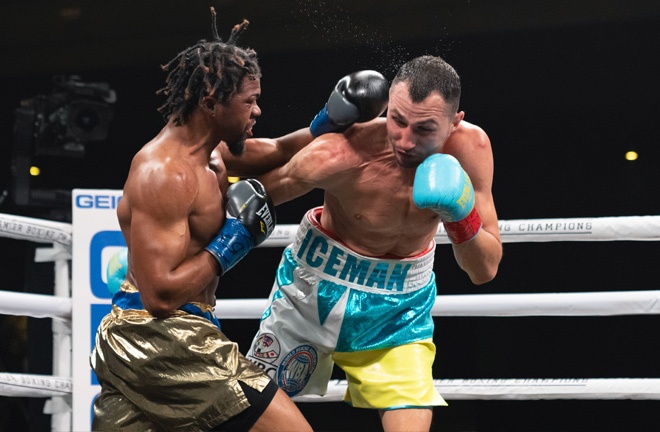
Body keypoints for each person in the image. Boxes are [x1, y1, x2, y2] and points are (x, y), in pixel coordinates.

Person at [245, 55, 503, 431]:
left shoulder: (470, 150)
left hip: (399, 310)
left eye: (425, 129)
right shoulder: (342, 152)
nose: (405, 140)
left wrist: (462, 218)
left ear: (455, 123)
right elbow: (252, 189)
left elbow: (485, 269)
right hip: (311, 293)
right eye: (397, 120)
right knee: (248, 412)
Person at [90, 11, 316, 432]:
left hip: (166, 335)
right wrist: (234, 241)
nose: (257, 110)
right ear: (211, 103)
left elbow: (280, 150)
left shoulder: (212, 153)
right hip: (159, 337)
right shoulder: (164, 174)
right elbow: (159, 296)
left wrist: (333, 121)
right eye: (248, 102)